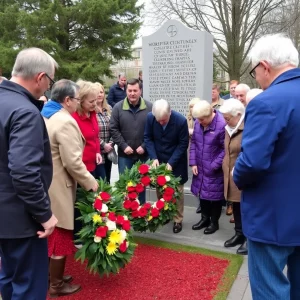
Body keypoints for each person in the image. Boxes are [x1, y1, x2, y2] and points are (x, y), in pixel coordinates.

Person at [233, 33, 300, 299]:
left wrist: (236, 176)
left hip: (271, 219)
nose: (256, 78)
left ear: (265, 66)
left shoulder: (266, 102)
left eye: (254, 71)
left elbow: (252, 163)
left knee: (270, 291)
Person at [0, 47, 58, 300]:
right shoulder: (25, 111)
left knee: (9, 278)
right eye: (50, 81)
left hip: (5, 216)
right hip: (22, 219)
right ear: (40, 77)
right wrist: (45, 215)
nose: (48, 87)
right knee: (29, 288)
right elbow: (24, 172)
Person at [42, 80, 98, 297]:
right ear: (67, 101)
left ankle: (51, 276)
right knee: (61, 236)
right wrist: (90, 181)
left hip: (50, 184)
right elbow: (73, 162)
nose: (77, 103)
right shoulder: (65, 121)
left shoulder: (52, 116)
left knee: (53, 237)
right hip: (59, 187)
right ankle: (56, 285)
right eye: (76, 99)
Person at [144, 99, 189, 233]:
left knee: (178, 192)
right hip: (159, 159)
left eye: (163, 120)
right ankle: (165, 215)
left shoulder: (180, 121)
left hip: (176, 161)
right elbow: (148, 138)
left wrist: (171, 162)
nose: (160, 122)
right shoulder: (150, 118)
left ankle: (177, 219)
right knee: (161, 189)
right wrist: (153, 158)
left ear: (170, 113)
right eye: (158, 120)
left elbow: (183, 144)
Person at [110, 78, 152, 204]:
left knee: (141, 185)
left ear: (140, 91)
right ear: (126, 91)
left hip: (142, 155)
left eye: (135, 90)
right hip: (125, 155)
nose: (132, 93)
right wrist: (123, 146)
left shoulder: (149, 107)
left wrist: (144, 146)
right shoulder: (118, 107)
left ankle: (141, 213)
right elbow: (114, 129)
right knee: (126, 185)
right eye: (129, 90)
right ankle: (127, 214)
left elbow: (153, 130)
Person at [72, 80, 102, 242]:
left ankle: (89, 231)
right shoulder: (73, 117)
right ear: (80, 100)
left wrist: (97, 151)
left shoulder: (93, 113)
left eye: (96, 100)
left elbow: (95, 135)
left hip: (93, 163)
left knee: (91, 199)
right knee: (79, 202)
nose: (94, 104)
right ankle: (78, 235)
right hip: (80, 167)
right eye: (91, 101)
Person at [190, 100, 226, 234]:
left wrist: (214, 165)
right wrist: (193, 162)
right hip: (200, 165)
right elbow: (194, 143)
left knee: (214, 197)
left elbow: (225, 149)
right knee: (202, 194)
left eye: (202, 119)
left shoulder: (221, 125)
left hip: (213, 168)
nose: (199, 122)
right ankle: (204, 218)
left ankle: (214, 222)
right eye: (198, 119)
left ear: (210, 114)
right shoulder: (198, 122)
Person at [219, 99, 247, 255]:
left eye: (227, 118)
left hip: (241, 172)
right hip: (230, 172)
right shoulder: (229, 127)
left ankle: (248, 238)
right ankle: (239, 233)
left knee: (244, 206)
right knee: (235, 204)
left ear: (238, 115)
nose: (225, 121)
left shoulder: (247, 127)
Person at [95, 82, 114, 183]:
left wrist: (111, 143)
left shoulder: (109, 108)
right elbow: (91, 132)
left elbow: (114, 127)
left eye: (101, 92)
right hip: (98, 151)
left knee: (108, 178)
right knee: (101, 180)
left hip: (109, 151)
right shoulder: (91, 111)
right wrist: (103, 144)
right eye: (97, 92)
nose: (99, 95)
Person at [186, 97, 201, 213]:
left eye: (194, 106)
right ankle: (199, 202)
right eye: (190, 106)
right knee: (194, 176)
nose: (192, 109)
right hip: (190, 149)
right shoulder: (188, 118)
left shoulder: (201, 119)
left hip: (201, 150)